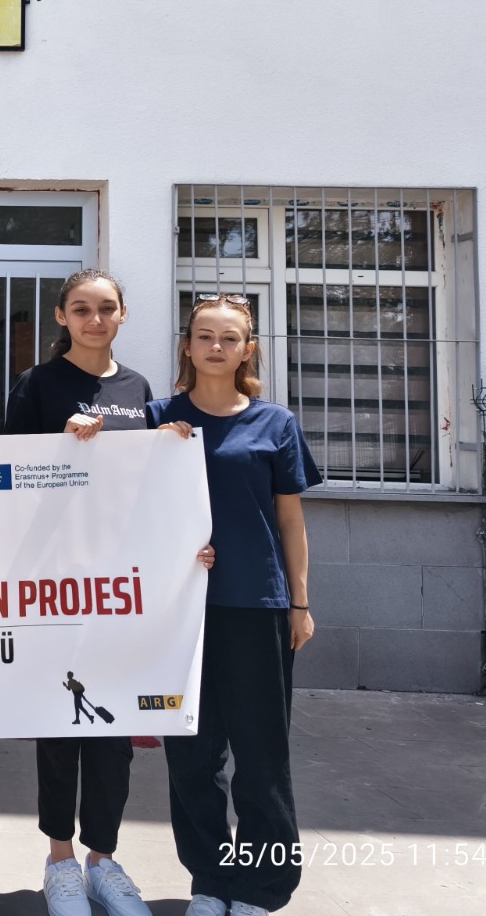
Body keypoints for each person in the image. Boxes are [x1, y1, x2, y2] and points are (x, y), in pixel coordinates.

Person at [3, 269, 214, 916]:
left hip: (122, 587)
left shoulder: (140, 390)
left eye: (106, 309)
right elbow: (0, 482)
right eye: (81, 309)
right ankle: (60, 862)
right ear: (62, 317)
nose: (95, 320)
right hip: (56, 582)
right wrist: (59, 447)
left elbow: (149, 488)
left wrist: (183, 528)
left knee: (116, 727)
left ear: (124, 315)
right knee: (60, 721)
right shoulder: (37, 386)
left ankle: (103, 859)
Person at [148, 296, 318, 916]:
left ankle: (261, 889)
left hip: (258, 605)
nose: (216, 347)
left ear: (248, 350)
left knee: (261, 754)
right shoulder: (158, 417)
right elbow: (117, 500)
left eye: (230, 338)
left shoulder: (276, 423)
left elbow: (291, 521)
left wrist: (300, 602)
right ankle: (212, 882)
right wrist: (94, 432)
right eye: (204, 336)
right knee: (192, 756)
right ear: (187, 347)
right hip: (181, 611)